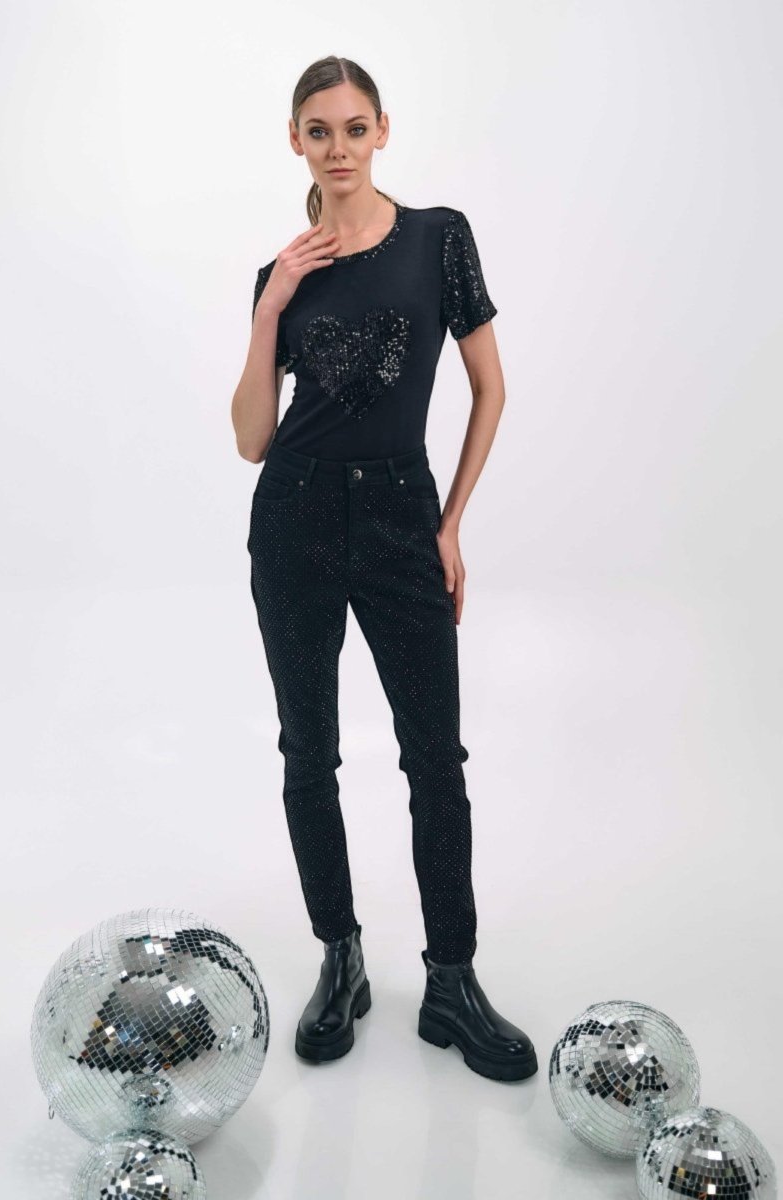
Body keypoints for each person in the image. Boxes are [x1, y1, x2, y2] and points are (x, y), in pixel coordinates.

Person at [231, 55, 537, 1083]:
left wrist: (449, 526)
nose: (340, 149)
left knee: (435, 757)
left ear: (382, 131)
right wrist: (271, 307)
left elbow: (491, 390)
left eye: (355, 128)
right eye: (319, 131)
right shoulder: (282, 271)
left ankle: (452, 979)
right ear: (295, 141)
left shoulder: (439, 238)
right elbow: (250, 439)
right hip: (296, 518)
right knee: (308, 753)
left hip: (405, 516)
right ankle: (342, 956)